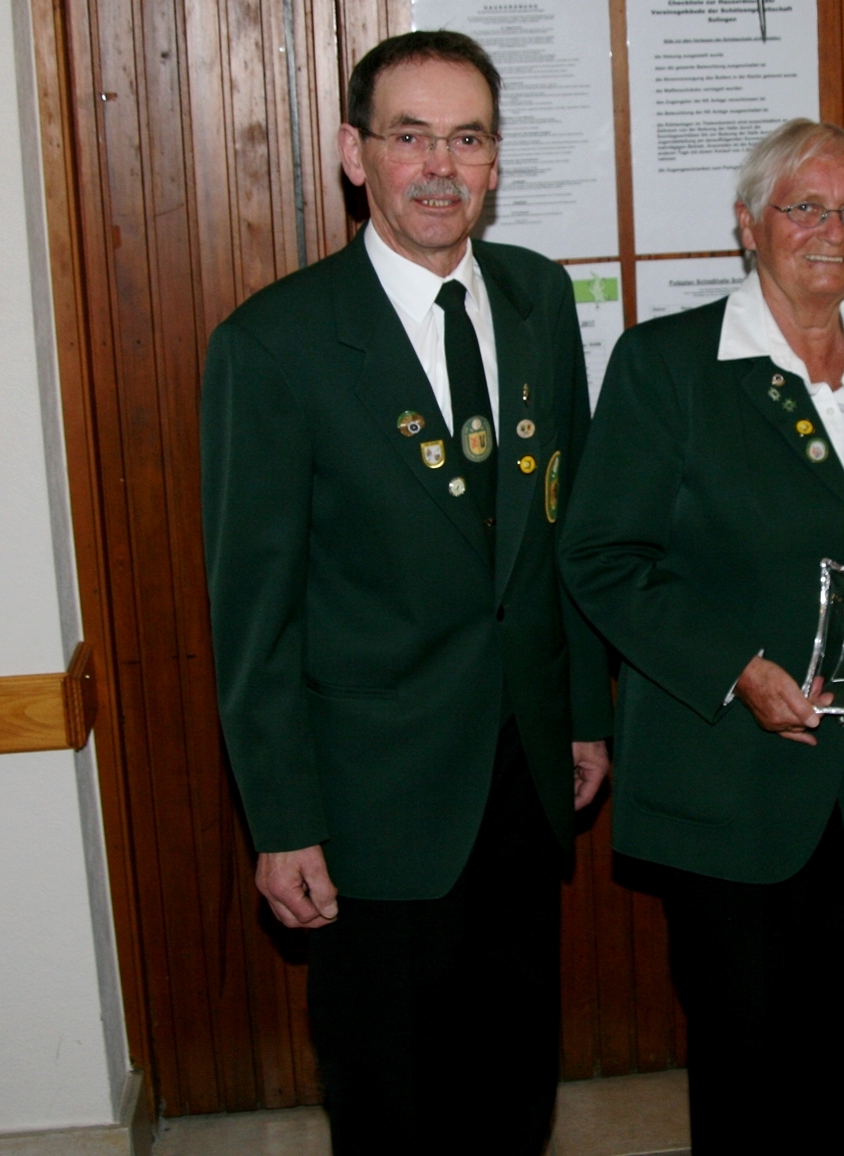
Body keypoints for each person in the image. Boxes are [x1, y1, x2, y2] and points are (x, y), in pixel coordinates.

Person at [201, 30, 612, 1155]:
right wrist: (283, 821)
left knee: (514, 1081)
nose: (440, 166)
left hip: (523, 779)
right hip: (371, 805)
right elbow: (253, 614)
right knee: (392, 1102)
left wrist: (581, 713)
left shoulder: (535, 299)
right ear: (356, 154)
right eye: (411, 136)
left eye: (467, 139)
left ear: (495, 160)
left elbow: (563, 532)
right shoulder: (274, 345)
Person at [559, 119, 844, 1155]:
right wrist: (735, 669)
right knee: (743, 1064)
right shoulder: (668, 365)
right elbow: (603, 555)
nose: (830, 230)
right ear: (748, 225)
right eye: (803, 207)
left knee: (834, 1057)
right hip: (729, 787)